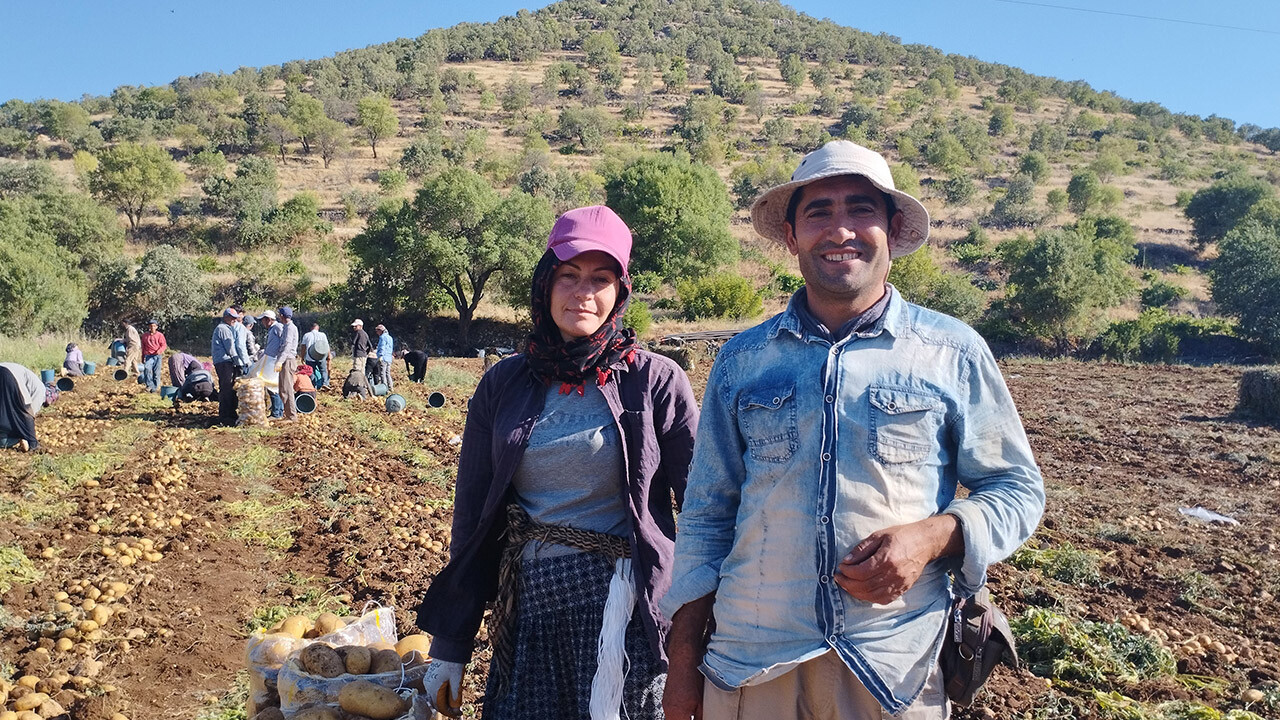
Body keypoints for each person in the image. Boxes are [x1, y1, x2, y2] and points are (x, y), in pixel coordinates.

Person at [661, 141, 1046, 720]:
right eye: (819, 213)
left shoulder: (951, 351)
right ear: (791, 237)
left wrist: (935, 536)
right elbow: (708, 513)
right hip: (753, 658)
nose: (840, 230)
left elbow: (1018, 490)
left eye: (860, 210)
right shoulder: (743, 359)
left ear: (892, 229)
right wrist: (684, 657)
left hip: (893, 666)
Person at [417, 205, 699, 720]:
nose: (583, 292)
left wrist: (699, 637)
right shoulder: (505, 384)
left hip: (627, 611)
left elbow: (705, 510)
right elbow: (472, 518)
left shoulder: (655, 381)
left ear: (621, 291)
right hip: (532, 610)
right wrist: (451, 644)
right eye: (568, 276)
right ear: (546, 283)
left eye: (600, 278)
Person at [0, 362, 43, 452]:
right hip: (9, 375)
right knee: (25, 412)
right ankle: (33, 444)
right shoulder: (41, 390)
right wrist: (27, 432)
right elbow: (28, 412)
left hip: (4, 370)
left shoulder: (30, 377)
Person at [267, 306, 299, 421]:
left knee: (287, 389)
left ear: (281, 316)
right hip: (286, 359)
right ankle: (288, 414)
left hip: (288, 360)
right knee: (282, 389)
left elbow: (287, 346)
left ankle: (291, 416)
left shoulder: (290, 328)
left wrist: (280, 361)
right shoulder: (287, 327)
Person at [211, 308, 242, 426]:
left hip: (225, 361)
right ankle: (225, 415)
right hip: (224, 362)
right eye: (232, 317)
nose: (234, 320)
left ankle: (229, 412)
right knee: (226, 387)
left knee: (229, 387)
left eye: (235, 318)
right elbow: (230, 349)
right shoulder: (223, 329)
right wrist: (238, 362)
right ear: (226, 317)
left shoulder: (227, 328)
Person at [301, 322, 332, 390]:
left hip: (310, 357)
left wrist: (302, 357)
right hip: (321, 356)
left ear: (311, 328)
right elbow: (326, 346)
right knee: (323, 370)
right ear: (318, 328)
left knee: (311, 371)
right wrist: (328, 356)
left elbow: (303, 347)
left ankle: (313, 385)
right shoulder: (322, 335)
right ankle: (325, 383)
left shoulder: (306, 335)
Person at [140, 319, 167, 392]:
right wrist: (142, 357)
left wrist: (160, 350)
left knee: (156, 373)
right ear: (149, 327)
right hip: (148, 356)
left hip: (157, 356)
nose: (152, 328)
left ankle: (155, 388)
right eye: (151, 326)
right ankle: (149, 385)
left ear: (156, 327)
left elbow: (164, 345)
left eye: (154, 326)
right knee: (147, 369)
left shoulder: (160, 335)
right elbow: (143, 347)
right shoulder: (145, 336)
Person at [374, 324, 394, 390]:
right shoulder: (390, 338)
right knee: (388, 373)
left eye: (377, 331)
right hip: (389, 358)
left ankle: (384, 388)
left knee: (382, 374)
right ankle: (391, 387)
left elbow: (382, 347)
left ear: (381, 331)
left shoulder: (382, 337)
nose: (376, 333)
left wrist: (380, 356)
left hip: (383, 358)